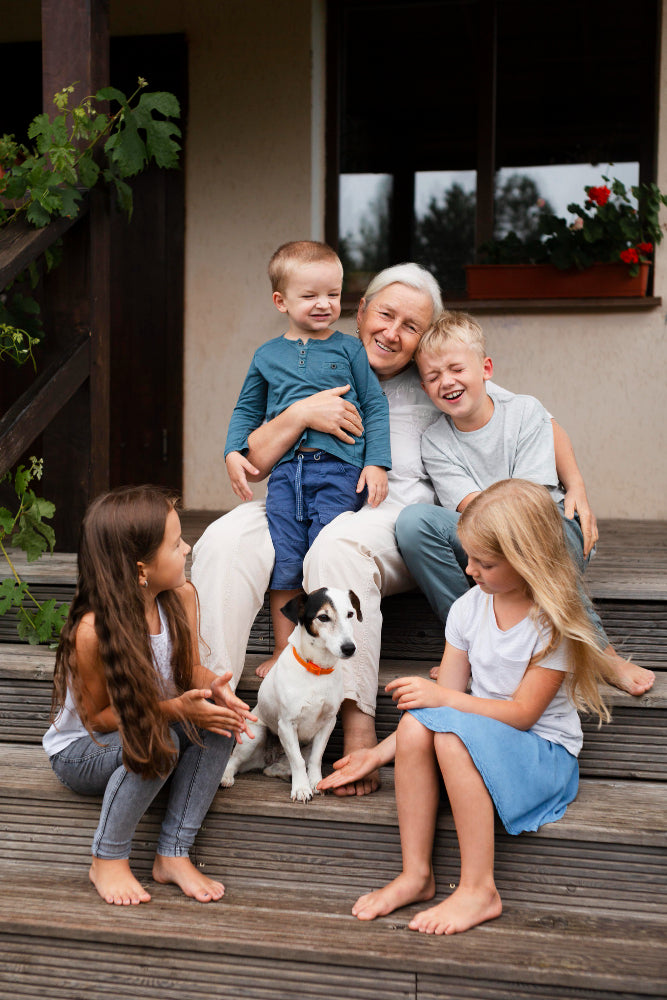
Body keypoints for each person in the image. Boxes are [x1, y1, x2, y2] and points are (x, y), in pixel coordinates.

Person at [191, 263, 601, 797]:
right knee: (222, 540)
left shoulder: (433, 376)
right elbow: (255, 461)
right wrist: (299, 414)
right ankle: (212, 705)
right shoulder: (307, 360)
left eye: (411, 326)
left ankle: (358, 719)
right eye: (385, 315)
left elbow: (534, 416)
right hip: (297, 499)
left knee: (336, 545)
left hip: (388, 515)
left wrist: (576, 485)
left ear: (424, 339)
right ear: (359, 313)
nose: (392, 332)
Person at [319, 479, 612, 935]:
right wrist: (376, 755)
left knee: (452, 737)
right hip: (482, 734)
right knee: (419, 724)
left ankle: (480, 889)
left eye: (485, 562)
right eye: (469, 556)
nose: (470, 569)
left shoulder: (553, 622)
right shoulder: (468, 610)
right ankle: (416, 873)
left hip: (541, 754)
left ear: (527, 559)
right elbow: (438, 707)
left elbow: (520, 715)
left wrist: (446, 700)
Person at [395, 310, 654, 696]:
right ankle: (469, 645)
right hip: (486, 539)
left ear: (486, 368)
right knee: (413, 523)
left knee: (537, 532)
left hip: (550, 530)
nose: (446, 382)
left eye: (456, 369)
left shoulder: (525, 413)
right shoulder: (435, 441)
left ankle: (601, 651)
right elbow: (471, 509)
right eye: (432, 377)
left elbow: (529, 505)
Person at [43, 485, 256, 906]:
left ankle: (173, 853)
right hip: (82, 750)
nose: (188, 548)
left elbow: (185, 670)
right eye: (176, 544)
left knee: (219, 724)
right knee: (162, 739)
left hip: (149, 724)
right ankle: (107, 857)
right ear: (141, 569)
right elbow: (100, 718)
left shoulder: (181, 596)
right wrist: (174, 709)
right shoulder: (93, 632)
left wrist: (213, 685)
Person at [224, 240, 391, 676]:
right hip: (285, 475)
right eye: (310, 295)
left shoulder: (349, 350)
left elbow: (374, 405)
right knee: (286, 557)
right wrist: (233, 450)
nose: (324, 304)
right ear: (281, 301)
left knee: (322, 554)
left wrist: (376, 462)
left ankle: (326, 646)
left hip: (339, 470)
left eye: (333, 295)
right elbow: (246, 409)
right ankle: (285, 651)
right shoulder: (266, 355)